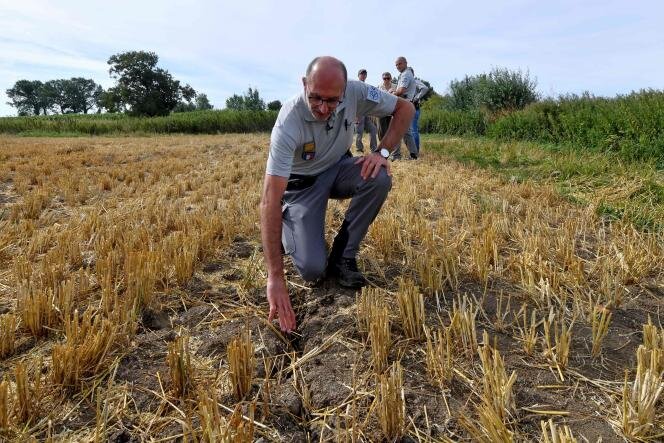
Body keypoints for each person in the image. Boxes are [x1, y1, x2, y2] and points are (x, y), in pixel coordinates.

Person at [260, 56, 415, 333]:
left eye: (332, 101)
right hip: (302, 185)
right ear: (304, 84)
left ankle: (344, 255)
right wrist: (275, 277)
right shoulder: (288, 122)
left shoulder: (357, 91)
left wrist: (382, 152)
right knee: (312, 270)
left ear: (345, 91)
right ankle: (290, 224)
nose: (322, 108)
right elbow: (270, 198)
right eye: (315, 98)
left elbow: (405, 108)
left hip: (338, 166)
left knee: (378, 177)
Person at [390, 56, 418, 160]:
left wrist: (391, 93)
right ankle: (414, 154)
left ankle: (396, 156)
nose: (397, 66)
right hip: (407, 104)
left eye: (399, 64)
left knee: (396, 130)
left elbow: (401, 90)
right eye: (396, 65)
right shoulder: (406, 73)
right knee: (406, 132)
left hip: (403, 105)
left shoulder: (406, 74)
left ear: (405, 63)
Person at [355, 69, 378, 153]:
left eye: (365, 74)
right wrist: (356, 115)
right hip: (358, 113)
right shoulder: (355, 86)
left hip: (367, 113)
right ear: (358, 75)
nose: (363, 75)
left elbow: (371, 100)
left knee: (373, 129)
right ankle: (359, 149)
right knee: (359, 132)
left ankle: (374, 149)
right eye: (361, 74)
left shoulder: (368, 86)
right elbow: (354, 101)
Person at [410, 70, 430, 152]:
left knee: (413, 130)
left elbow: (425, 88)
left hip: (414, 108)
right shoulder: (407, 83)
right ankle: (413, 151)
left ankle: (415, 151)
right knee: (411, 131)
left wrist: (416, 97)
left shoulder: (414, 81)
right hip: (410, 108)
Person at [377, 72, 393, 141]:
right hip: (382, 111)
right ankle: (382, 147)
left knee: (391, 131)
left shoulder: (395, 86)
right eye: (384, 78)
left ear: (391, 78)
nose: (386, 80)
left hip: (392, 112)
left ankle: (390, 147)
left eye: (388, 78)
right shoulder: (379, 87)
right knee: (382, 131)